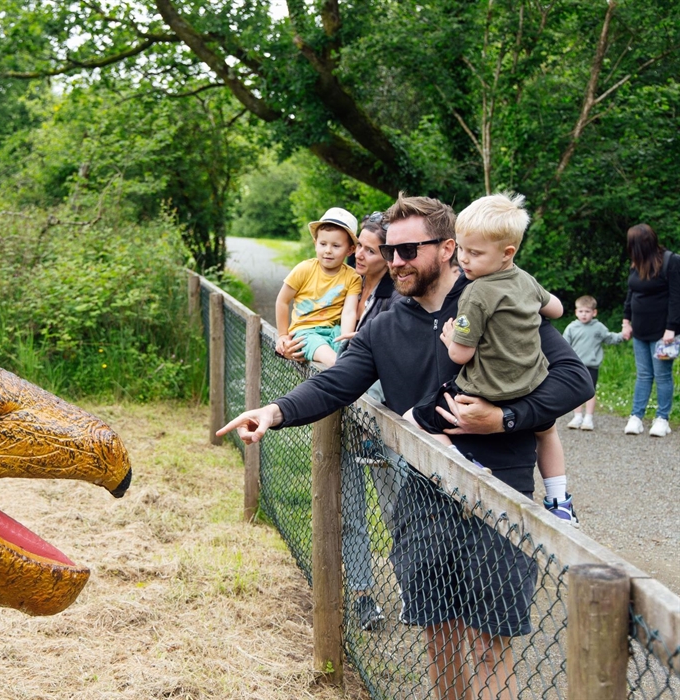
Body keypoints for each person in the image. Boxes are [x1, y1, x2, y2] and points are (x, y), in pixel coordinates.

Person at [218, 193, 593, 700]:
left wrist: (505, 418)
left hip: (501, 494)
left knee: (490, 643)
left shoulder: (497, 298)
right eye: (389, 251)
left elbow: (574, 378)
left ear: (447, 249)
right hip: (421, 495)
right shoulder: (385, 326)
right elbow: (336, 384)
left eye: (408, 250)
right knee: (440, 638)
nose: (395, 262)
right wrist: (273, 411)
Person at [401, 193, 576, 525]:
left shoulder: (475, 293)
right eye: (463, 250)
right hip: (531, 387)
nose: (464, 260)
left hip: (487, 391)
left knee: (413, 418)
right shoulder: (526, 281)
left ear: (507, 252)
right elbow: (556, 309)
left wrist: (451, 338)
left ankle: (464, 467)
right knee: (547, 430)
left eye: (475, 253)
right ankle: (558, 499)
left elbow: (461, 354)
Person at [338, 211, 405, 631]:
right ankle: (363, 594)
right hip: (341, 415)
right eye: (357, 245)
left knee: (395, 507)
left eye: (368, 248)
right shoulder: (341, 284)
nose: (358, 253)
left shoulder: (397, 299)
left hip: (381, 421)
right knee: (351, 512)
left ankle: (410, 586)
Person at [274, 208, 361, 367]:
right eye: (323, 244)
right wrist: (282, 335)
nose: (328, 250)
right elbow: (282, 300)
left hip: (333, 331)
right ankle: (339, 367)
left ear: (350, 250)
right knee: (325, 351)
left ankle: (342, 367)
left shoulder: (352, 277)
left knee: (346, 349)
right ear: (315, 244)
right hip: (305, 332)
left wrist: (346, 338)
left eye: (336, 245)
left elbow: (349, 311)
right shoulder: (304, 269)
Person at [621, 223, 680, 437]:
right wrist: (626, 322)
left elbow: (676, 298)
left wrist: (671, 329)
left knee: (662, 376)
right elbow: (631, 294)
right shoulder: (637, 263)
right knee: (643, 375)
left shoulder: (671, 261)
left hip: (663, 333)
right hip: (640, 329)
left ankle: (662, 418)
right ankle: (636, 417)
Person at [563, 295, 624, 431]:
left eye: (587, 311)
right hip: (576, 366)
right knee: (575, 391)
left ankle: (588, 418)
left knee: (590, 391)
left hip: (591, 366)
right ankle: (577, 416)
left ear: (594, 312)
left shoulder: (598, 327)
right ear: (576, 312)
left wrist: (622, 336)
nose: (584, 315)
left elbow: (609, 338)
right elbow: (564, 345)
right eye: (581, 311)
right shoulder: (571, 328)